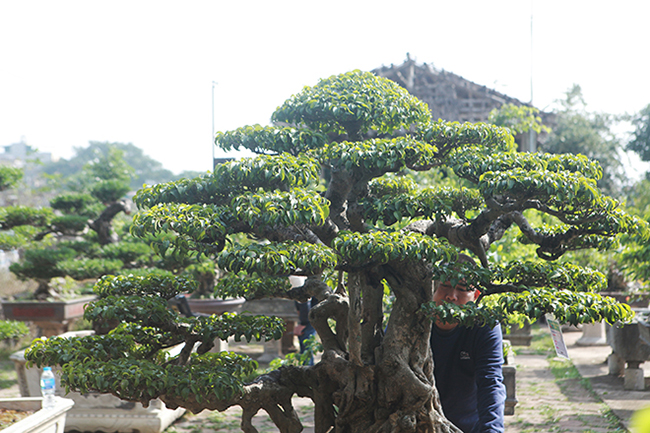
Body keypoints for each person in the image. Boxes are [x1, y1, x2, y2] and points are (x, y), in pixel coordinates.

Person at [430, 255, 506, 433]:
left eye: (462, 290)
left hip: (467, 427)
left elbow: (491, 382)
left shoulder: (485, 325)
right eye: (445, 286)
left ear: (476, 295)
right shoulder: (412, 320)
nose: (451, 296)